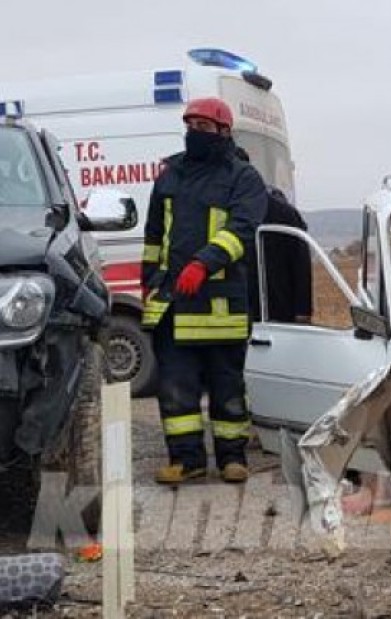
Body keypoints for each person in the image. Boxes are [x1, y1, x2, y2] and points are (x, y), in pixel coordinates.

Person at [141, 98, 267, 485]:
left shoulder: (242, 177)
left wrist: (203, 262)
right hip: (173, 303)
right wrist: (150, 282)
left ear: (224, 132)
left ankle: (232, 457)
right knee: (176, 392)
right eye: (190, 123)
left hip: (219, 304)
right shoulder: (169, 174)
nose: (195, 131)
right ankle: (186, 460)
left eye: (204, 126)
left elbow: (242, 229)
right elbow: (153, 236)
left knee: (227, 387)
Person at [234, 148, 313, 324]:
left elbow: (300, 265)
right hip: (245, 315)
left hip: (274, 316)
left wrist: (302, 313)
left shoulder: (283, 214)